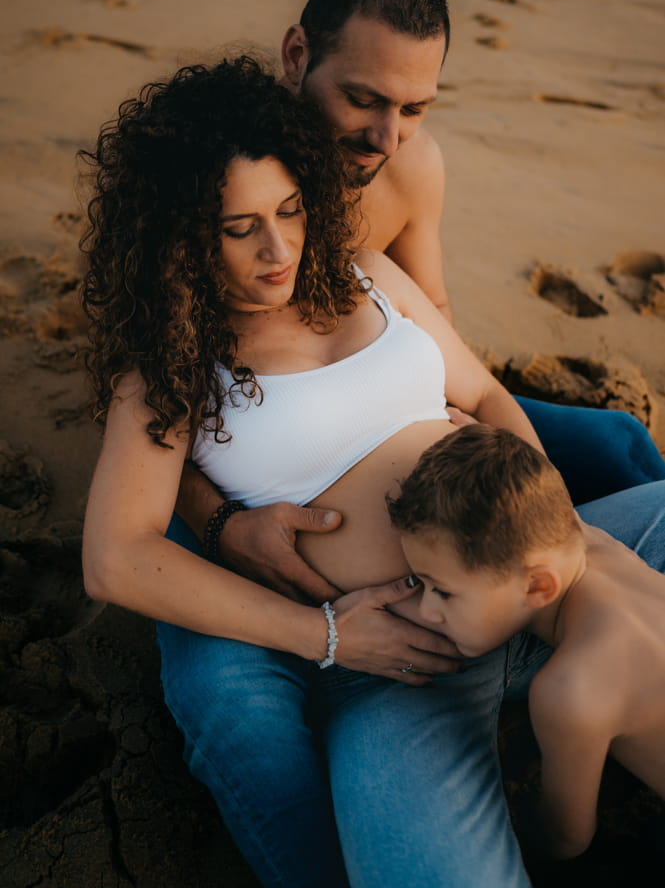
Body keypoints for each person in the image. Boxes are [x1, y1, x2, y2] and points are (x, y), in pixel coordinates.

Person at [79, 54, 665, 888]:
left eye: (289, 209)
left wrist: (557, 534)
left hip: (555, 579)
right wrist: (327, 638)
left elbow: (488, 396)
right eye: (236, 227)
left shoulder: (368, 275)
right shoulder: (171, 369)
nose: (277, 249)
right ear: (176, 234)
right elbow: (118, 558)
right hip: (404, 659)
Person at [173, 0, 665, 612]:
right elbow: (145, 400)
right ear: (296, 56)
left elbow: (429, 303)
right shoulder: (230, 176)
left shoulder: (410, 165)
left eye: (413, 107)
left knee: (621, 443)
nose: (387, 137)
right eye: (362, 99)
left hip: (396, 393)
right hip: (270, 448)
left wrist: (450, 420)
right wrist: (219, 523)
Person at [388, 423, 665, 860]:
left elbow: (567, 839)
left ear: (538, 587)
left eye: (442, 591)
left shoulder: (570, 690)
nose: (427, 611)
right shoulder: (601, 547)